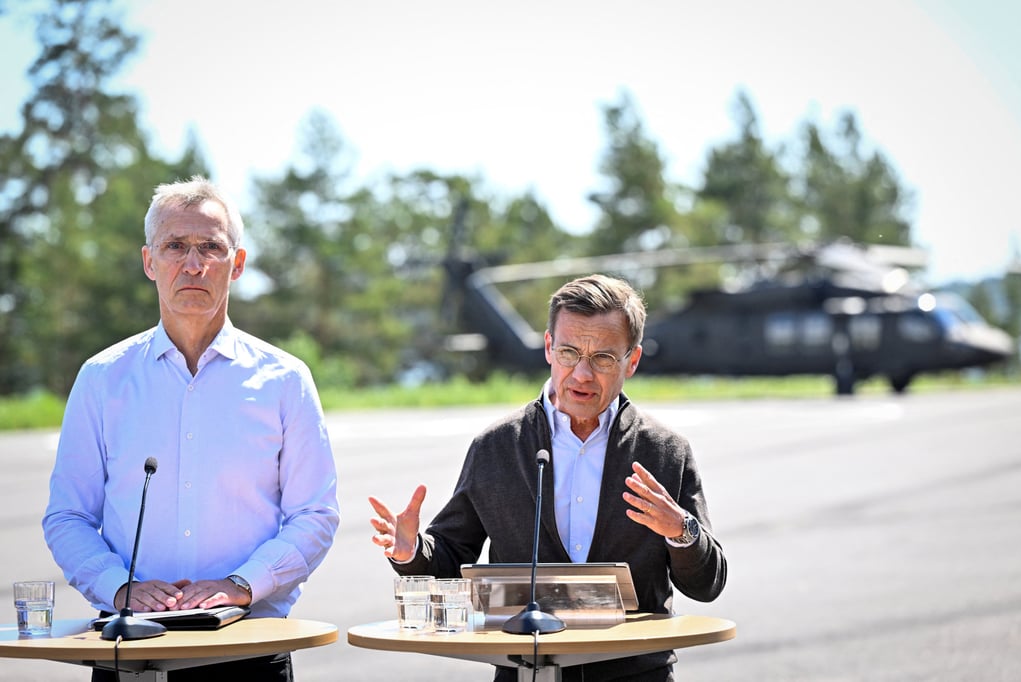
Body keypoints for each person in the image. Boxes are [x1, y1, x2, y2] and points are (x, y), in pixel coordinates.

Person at [43, 176, 340, 681]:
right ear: (148, 262)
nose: (194, 263)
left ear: (237, 264)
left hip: (248, 650)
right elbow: (68, 515)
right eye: (175, 246)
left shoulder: (286, 380)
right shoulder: (102, 379)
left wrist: (243, 584)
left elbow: (315, 514)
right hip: (131, 649)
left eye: (211, 247)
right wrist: (118, 586)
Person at [369, 274, 727, 682]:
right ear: (547, 348)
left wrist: (681, 531)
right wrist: (411, 550)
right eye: (569, 353)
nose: (581, 375)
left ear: (633, 360)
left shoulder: (664, 452)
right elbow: (450, 556)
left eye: (603, 358)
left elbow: (707, 584)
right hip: (526, 672)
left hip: (635, 674)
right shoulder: (497, 447)